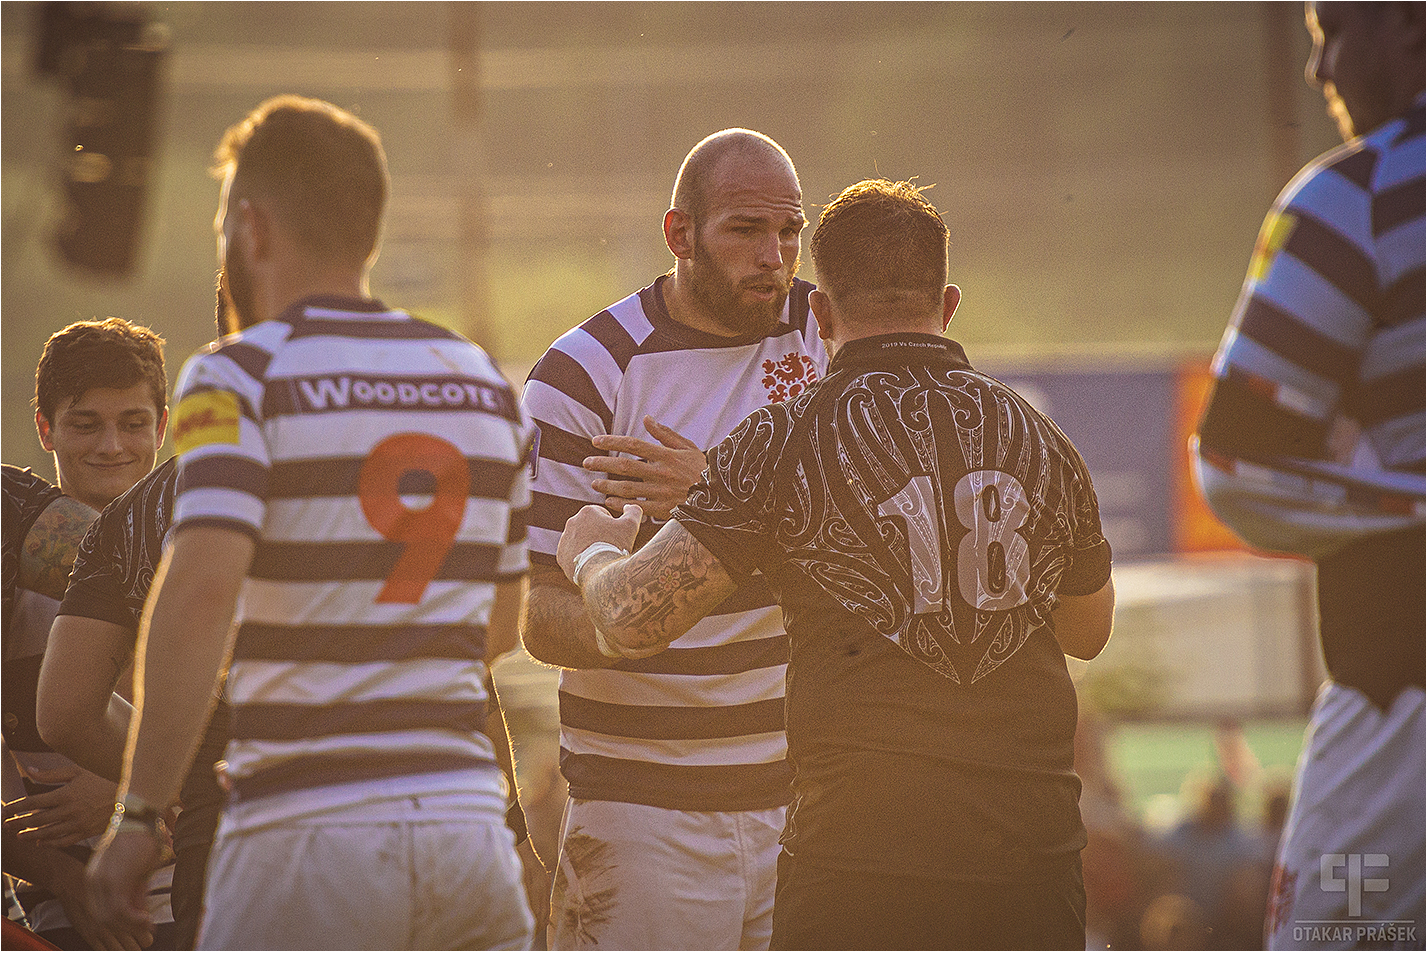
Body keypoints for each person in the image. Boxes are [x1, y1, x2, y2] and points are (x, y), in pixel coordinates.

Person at [555, 178, 1116, 949]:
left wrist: (589, 550)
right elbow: (1088, 629)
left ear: (820, 314)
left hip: (859, 860)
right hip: (1033, 860)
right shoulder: (1040, 437)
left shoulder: (779, 442)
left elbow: (630, 618)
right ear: (948, 305)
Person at [83, 94, 535, 950]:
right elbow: (499, 626)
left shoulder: (238, 377)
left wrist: (138, 814)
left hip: (306, 837)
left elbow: (200, 592)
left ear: (251, 228)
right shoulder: (480, 381)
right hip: (468, 834)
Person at [520, 127, 825, 949]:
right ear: (679, 234)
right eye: (745, 230)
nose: (775, 255)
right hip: (643, 811)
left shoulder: (826, 338)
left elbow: (877, 559)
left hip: (812, 797)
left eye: (790, 231)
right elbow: (537, 615)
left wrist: (710, 504)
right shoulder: (584, 373)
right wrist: (635, 607)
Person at [1193, 2, 1424, 946]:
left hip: (1400, 696)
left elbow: (1237, 460)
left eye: (1336, 28)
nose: (1318, 66)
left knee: (1334, 935)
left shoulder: (1359, 198)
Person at [2, 318, 173, 949]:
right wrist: (69, 885)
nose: (110, 446)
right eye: (84, 424)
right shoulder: (7, 556)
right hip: (62, 915)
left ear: (162, 425)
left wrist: (133, 789)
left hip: (213, 888)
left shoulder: (212, 550)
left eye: (133, 423)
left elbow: (267, 734)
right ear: (44, 428)